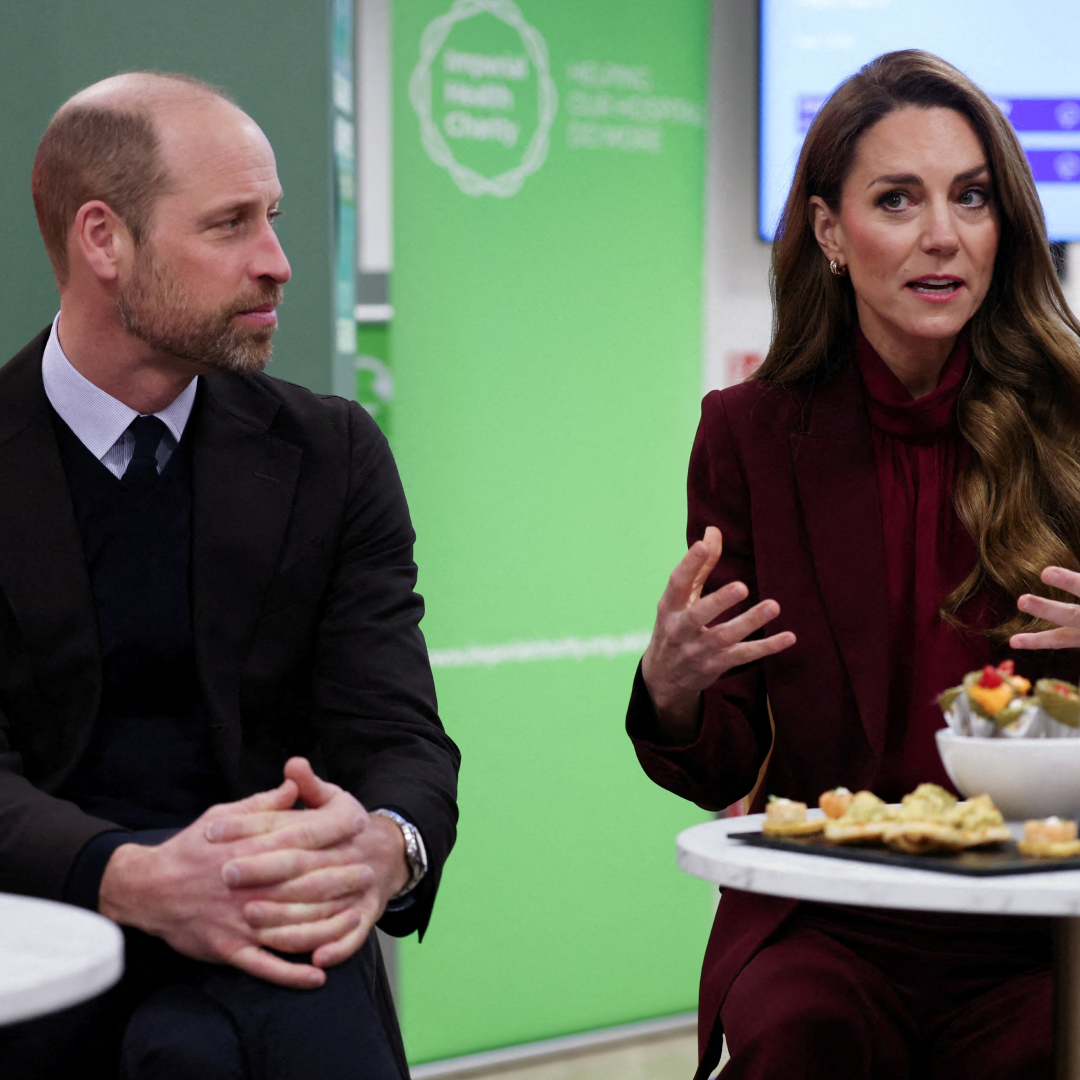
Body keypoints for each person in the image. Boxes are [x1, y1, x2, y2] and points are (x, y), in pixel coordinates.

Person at [628, 50, 1080, 1080]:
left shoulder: (1072, 422)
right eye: (897, 199)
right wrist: (676, 692)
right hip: (832, 913)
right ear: (830, 232)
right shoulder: (746, 435)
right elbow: (726, 760)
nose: (942, 235)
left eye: (970, 198)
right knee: (798, 1034)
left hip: (1038, 919)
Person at [0, 72, 459, 1080]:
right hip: (40, 933)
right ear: (103, 241)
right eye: (231, 225)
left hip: (277, 935)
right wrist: (128, 875)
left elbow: (399, 737)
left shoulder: (332, 455)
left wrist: (384, 846)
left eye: (276, 219)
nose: (278, 263)